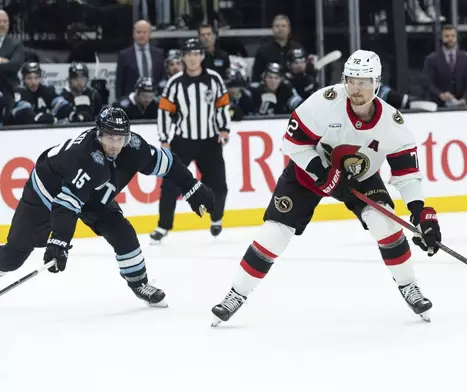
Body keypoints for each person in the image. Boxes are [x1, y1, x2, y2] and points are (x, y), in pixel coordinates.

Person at [210, 50, 442, 327]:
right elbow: (292, 144)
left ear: (377, 83)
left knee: (386, 226)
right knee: (274, 233)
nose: (357, 89)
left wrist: (419, 211)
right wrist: (323, 173)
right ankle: (236, 293)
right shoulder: (323, 102)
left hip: (360, 177)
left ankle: (409, 287)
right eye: (352, 80)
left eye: (364, 82)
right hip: (307, 175)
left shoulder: (392, 123)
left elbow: (407, 174)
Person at [0, 107, 216, 307]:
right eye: (109, 137)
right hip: (46, 193)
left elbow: (168, 164)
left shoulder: (134, 148)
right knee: (13, 257)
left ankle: (139, 283)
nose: (114, 144)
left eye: (119, 138)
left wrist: (192, 187)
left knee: (123, 232)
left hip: (92, 196)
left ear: (127, 137)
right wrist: (60, 240)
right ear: (98, 134)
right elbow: (67, 204)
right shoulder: (85, 157)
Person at [151, 38, 231, 243]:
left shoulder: (214, 79)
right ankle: (163, 226)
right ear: (183, 58)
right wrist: (164, 139)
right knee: (169, 185)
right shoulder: (174, 82)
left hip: (210, 141)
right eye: (188, 54)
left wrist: (224, 130)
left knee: (219, 185)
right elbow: (164, 112)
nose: (192, 58)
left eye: (196, 54)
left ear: (202, 56)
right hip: (182, 141)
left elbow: (223, 105)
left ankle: (217, 218)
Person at [421, 24, 467, 108]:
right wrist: (440, 94)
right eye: (447, 36)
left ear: (457, 38)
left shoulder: (465, 58)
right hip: (438, 106)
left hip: (461, 106)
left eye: (453, 36)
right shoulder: (432, 59)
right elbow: (427, 82)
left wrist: (464, 99)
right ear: (441, 38)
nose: (450, 39)